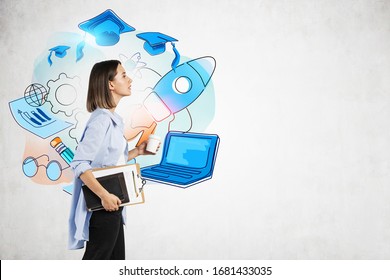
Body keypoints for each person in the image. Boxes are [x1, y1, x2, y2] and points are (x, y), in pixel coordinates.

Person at [68, 60, 157, 259]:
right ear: (110, 84)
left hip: (113, 204)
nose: (129, 79)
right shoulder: (101, 120)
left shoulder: (112, 119)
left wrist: (137, 151)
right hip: (104, 205)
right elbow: (80, 164)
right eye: (124, 75)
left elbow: (111, 160)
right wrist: (104, 195)